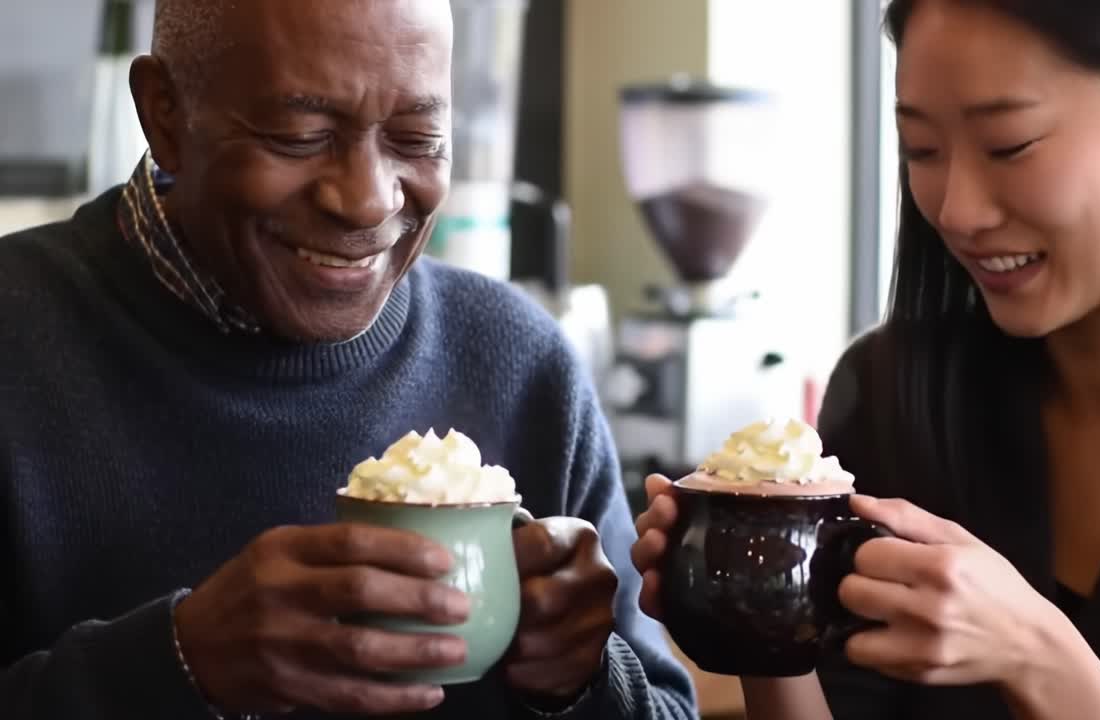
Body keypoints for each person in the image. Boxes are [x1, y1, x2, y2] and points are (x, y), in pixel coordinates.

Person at [0, 1, 697, 718]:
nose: (367, 200)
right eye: (299, 136)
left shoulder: (522, 365)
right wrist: (175, 667)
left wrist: (582, 678)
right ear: (166, 114)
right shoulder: (21, 340)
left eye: (418, 137)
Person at [633, 0, 1100, 717]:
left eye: (1010, 144)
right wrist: (758, 617)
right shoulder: (893, 396)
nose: (958, 210)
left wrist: (1034, 651)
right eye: (921, 151)